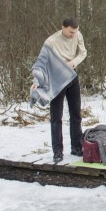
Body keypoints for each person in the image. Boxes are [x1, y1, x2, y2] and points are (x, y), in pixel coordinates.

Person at [32, 18, 87, 163]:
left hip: (72, 76)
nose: (73, 35)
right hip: (56, 80)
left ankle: (77, 147)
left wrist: (72, 63)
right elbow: (41, 62)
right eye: (70, 32)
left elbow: (83, 53)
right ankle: (57, 152)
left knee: (76, 115)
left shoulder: (78, 35)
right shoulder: (51, 42)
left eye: (75, 31)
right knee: (56, 117)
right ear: (63, 28)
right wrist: (36, 81)